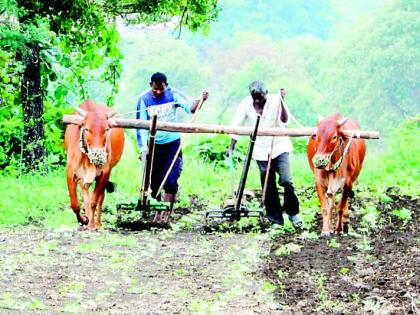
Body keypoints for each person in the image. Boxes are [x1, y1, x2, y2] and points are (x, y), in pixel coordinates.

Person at [227, 81, 302, 228]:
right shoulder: (245, 105)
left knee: (287, 180)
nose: (257, 101)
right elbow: (236, 125)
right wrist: (231, 146)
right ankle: (276, 220)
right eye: (254, 97)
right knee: (268, 186)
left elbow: (285, 120)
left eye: (260, 97)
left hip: (279, 145)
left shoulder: (275, 100)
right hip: (261, 149)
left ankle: (293, 213)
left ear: (266, 93)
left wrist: (282, 101)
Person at [136, 72, 208, 222]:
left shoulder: (173, 95)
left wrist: (201, 100)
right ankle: (157, 213)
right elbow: (141, 126)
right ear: (151, 86)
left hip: (172, 145)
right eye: (155, 89)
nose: (158, 92)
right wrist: (144, 149)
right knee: (154, 182)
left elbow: (190, 108)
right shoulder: (143, 100)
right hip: (154, 146)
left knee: (171, 180)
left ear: (166, 86)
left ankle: (166, 215)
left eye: (161, 89)